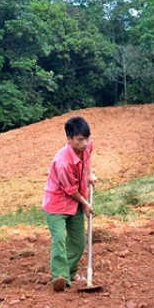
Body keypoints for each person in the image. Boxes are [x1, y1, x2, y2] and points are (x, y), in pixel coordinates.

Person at [42, 116, 97, 292]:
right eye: (80, 140)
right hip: (57, 204)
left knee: (78, 241)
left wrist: (89, 174)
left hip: (75, 203)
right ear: (69, 139)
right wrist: (86, 204)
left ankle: (70, 271)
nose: (85, 143)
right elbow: (70, 190)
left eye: (86, 138)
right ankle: (60, 277)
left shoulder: (86, 146)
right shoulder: (63, 163)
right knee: (59, 240)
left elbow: (87, 159)